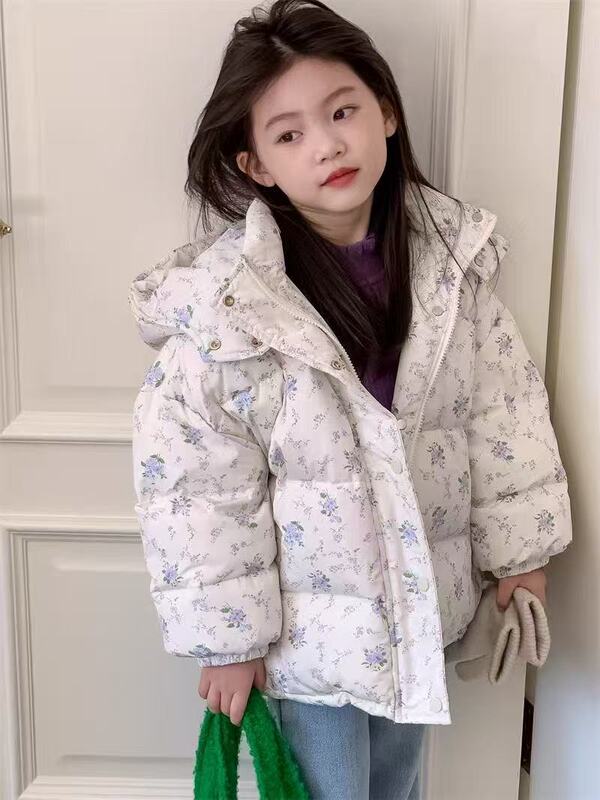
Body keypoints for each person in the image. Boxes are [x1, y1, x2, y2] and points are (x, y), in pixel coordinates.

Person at [128, 1, 573, 797]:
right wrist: (229, 641)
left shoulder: (450, 271)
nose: (328, 144)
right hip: (309, 638)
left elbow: (503, 414)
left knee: (397, 785)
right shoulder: (232, 309)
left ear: (386, 114)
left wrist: (521, 557)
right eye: (289, 134)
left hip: (420, 610)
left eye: (343, 113)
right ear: (257, 165)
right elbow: (199, 486)